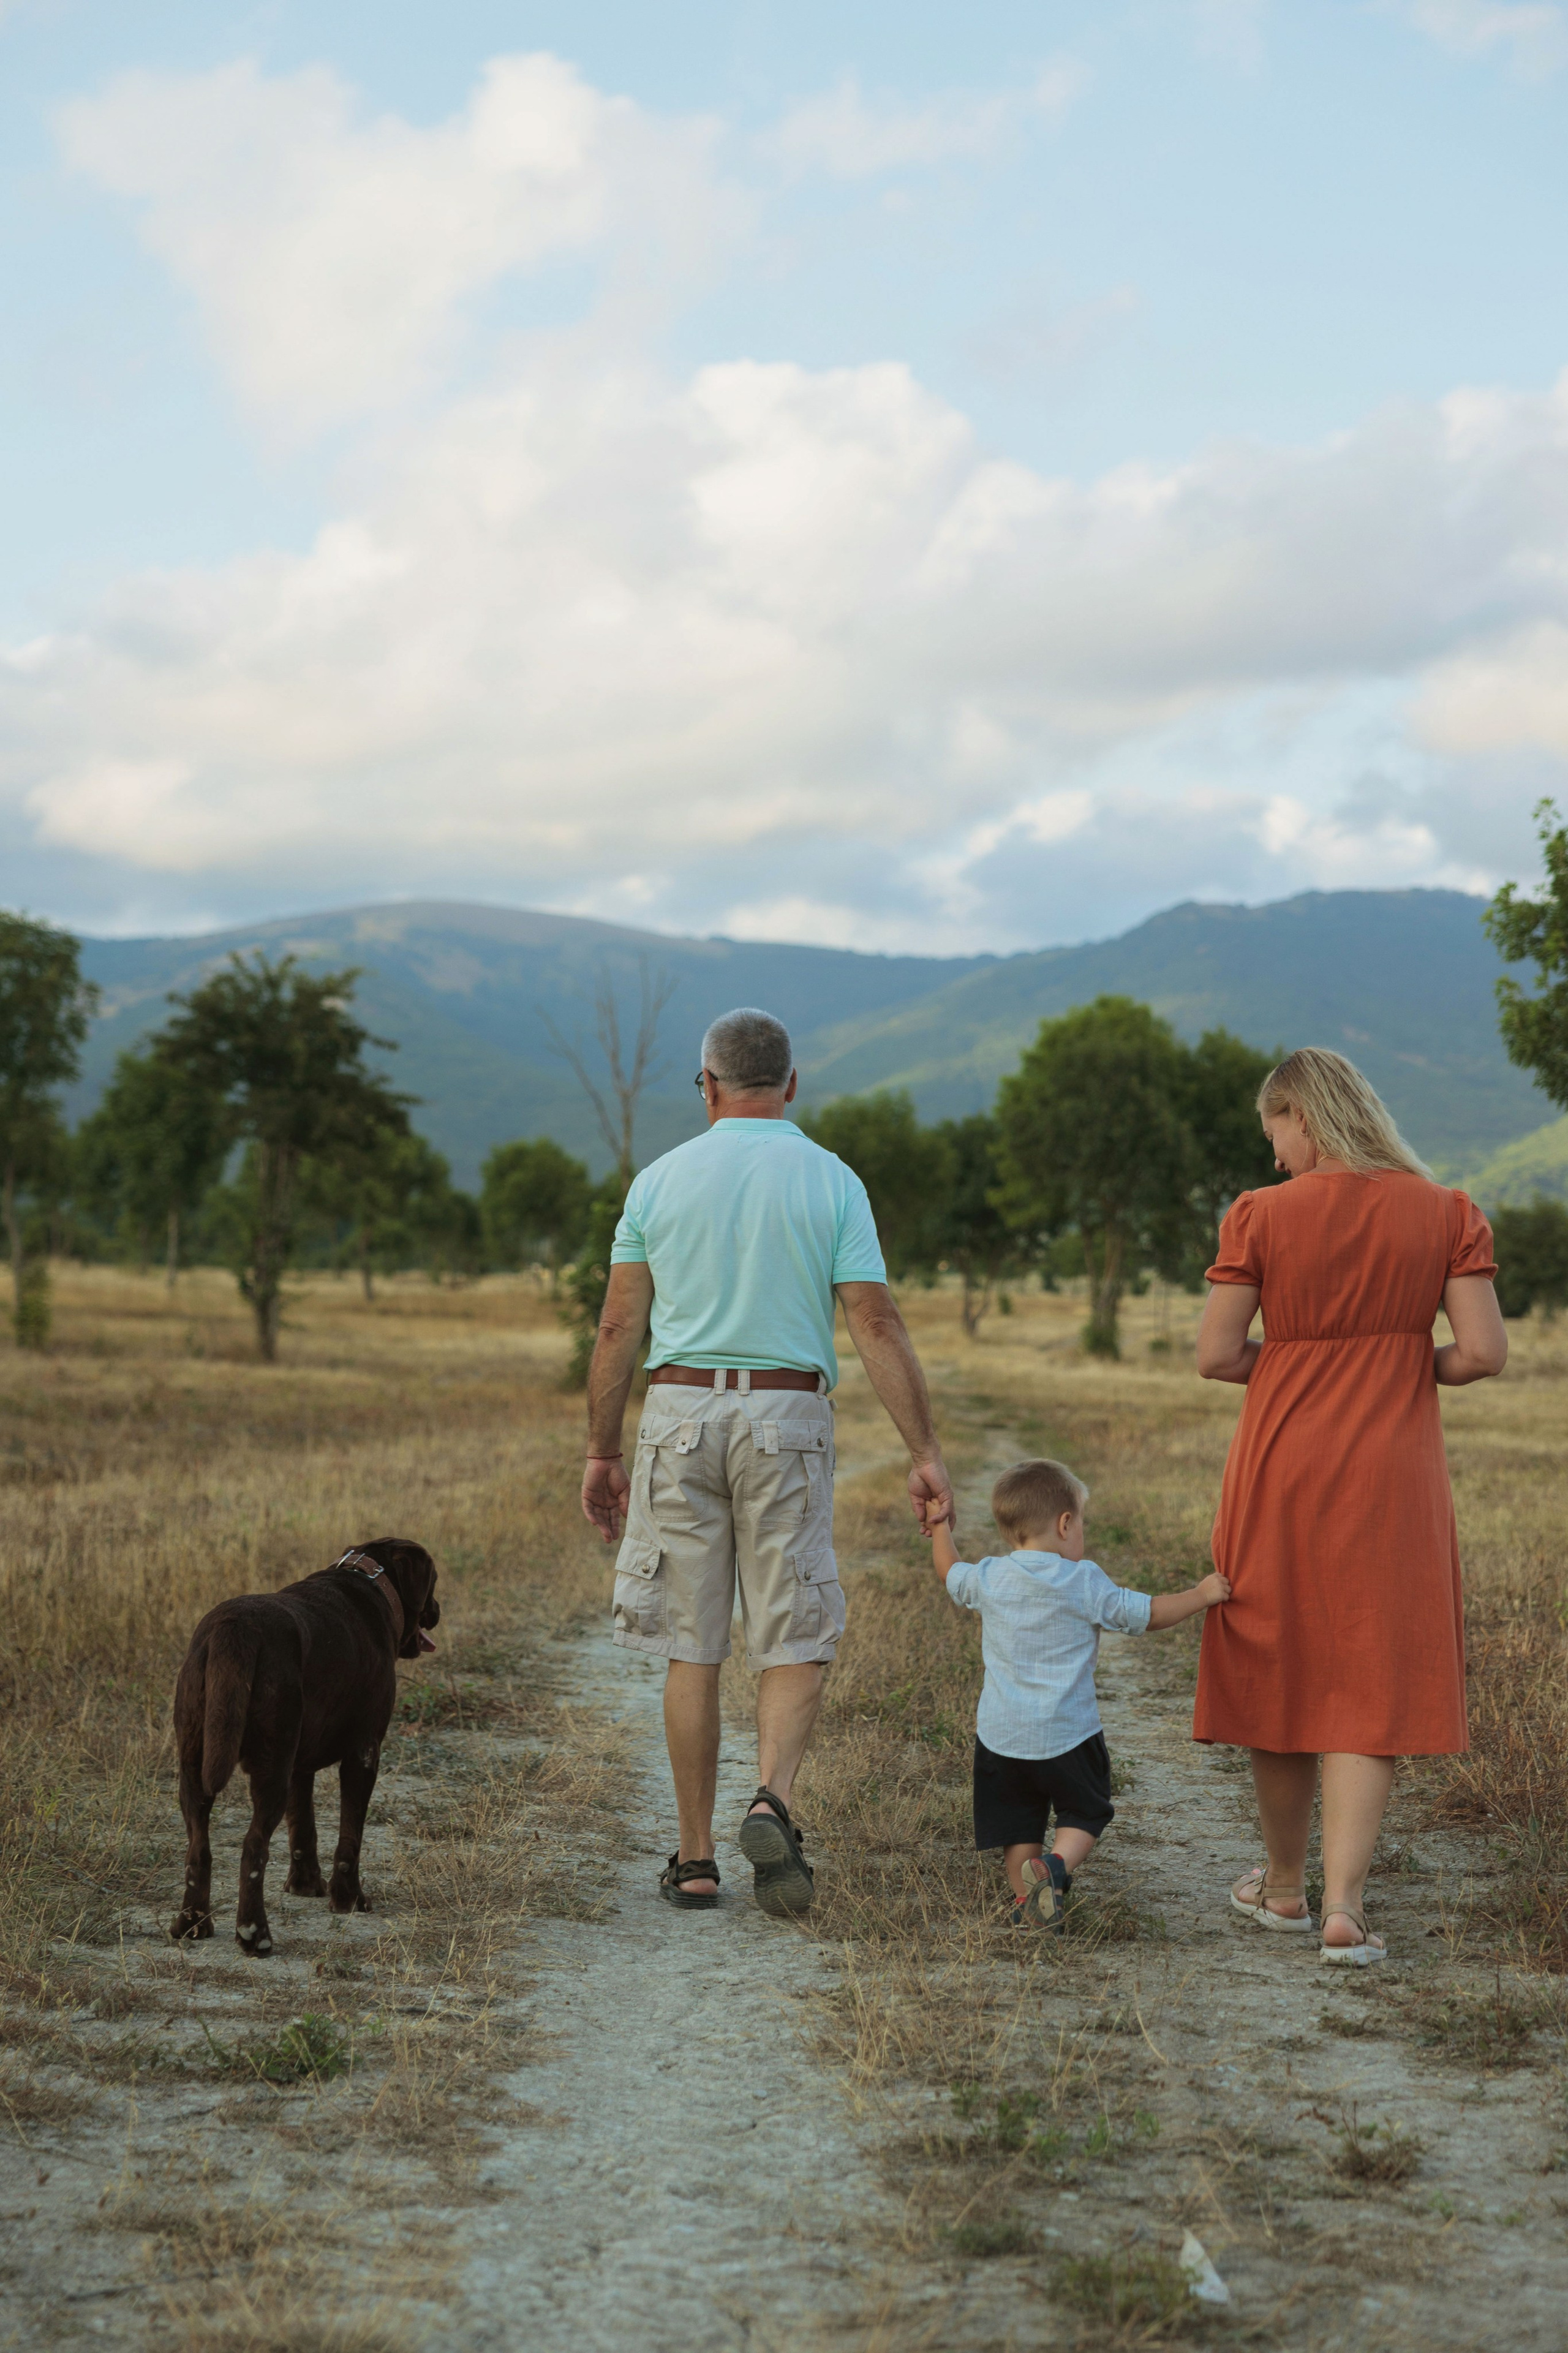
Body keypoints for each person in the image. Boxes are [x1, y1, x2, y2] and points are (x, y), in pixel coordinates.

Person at [580, 1006, 954, 1918]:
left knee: (691, 1642)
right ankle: (771, 1799)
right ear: (789, 1087)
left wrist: (602, 1449)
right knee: (795, 1631)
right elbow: (874, 1321)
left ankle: (697, 1858)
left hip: (677, 1412)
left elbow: (619, 1325)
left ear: (706, 1087)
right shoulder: (831, 1179)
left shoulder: (659, 1181)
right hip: (788, 1413)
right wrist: (924, 1451)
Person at [1196, 1046, 1507, 1966]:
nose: (1278, 1155)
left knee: (1280, 1659)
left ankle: (1284, 1889)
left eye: (1277, 1134)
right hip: (1394, 1472)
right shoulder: (1446, 1211)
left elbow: (1218, 1355)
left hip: (1282, 1463)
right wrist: (1400, 1362)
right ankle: (1345, 1909)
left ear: (1302, 1113)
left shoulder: (1259, 1214)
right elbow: (1483, 1353)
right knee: (1369, 1674)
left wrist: (1302, 1361)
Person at [931, 1457, 1230, 1929]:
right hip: (1069, 1735)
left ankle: (1024, 1901)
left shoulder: (988, 1576)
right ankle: (1054, 1868)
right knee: (1085, 1810)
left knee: (1017, 1825)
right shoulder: (1084, 1579)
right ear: (1065, 1523)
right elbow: (1146, 1614)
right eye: (1082, 1522)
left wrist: (940, 1527)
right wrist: (1202, 1593)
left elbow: (949, 1571)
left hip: (1001, 1737)